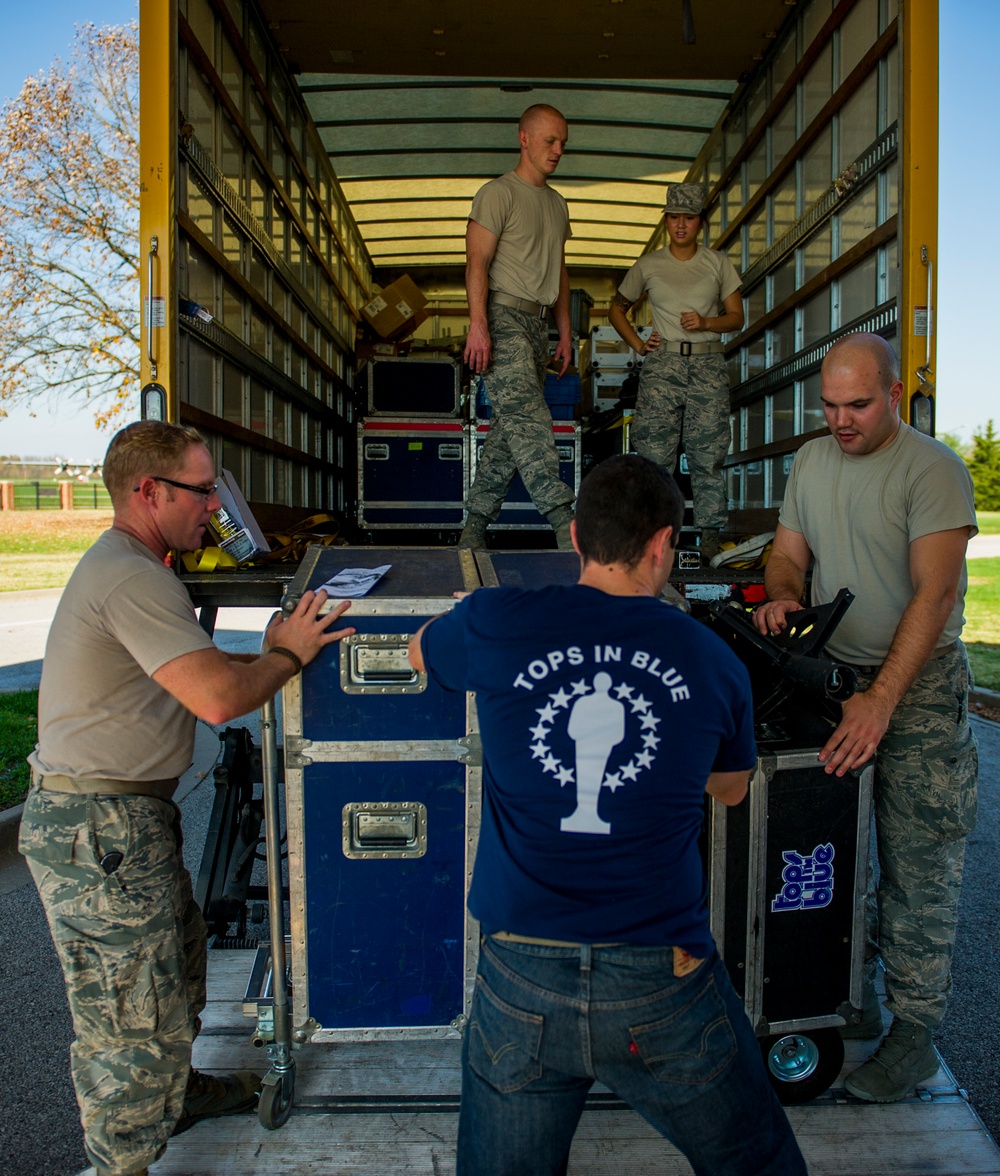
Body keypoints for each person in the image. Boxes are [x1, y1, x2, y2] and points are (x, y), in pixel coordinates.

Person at [409, 455, 806, 1175]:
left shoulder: (495, 621)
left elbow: (419, 651)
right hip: (662, 976)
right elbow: (732, 788)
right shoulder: (714, 659)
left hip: (520, 968)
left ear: (574, 536)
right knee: (760, 1164)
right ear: (663, 546)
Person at [19, 421, 356, 1176]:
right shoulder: (131, 576)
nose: (214, 507)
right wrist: (284, 654)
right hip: (99, 826)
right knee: (127, 1020)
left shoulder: (139, 568)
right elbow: (215, 698)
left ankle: (178, 1094)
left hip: (123, 820)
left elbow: (189, 665)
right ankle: (125, 1161)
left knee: (175, 965)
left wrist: (266, 649)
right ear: (148, 491)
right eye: (203, 491)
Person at [753, 332, 979, 1103]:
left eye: (857, 405)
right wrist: (783, 593)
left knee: (918, 861)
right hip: (837, 682)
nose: (841, 420)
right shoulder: (814, 461)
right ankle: (859, 998)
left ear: (891, 395)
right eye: (830, 405)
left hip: (913, 686)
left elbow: (936, 595)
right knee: (835, 851)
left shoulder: (934, 471)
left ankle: (914, 1036)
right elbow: (787, 555)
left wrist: (884, 700)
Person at [459, 103, 576, 551]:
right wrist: (478, 325)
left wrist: (564, 333)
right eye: (550, 140)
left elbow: (559, 272)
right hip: (503, 317)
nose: (558, 149)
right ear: (523, 138)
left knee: (510, 431)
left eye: (563, 142)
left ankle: (473, 527)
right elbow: (477, 262)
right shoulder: (497, 194)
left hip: (538, 324)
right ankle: (565, 526)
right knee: (529, 419)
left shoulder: (557, 204)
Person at [608, 182, 744, 562]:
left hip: (707, 364)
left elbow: (737, 317)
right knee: (654, 456)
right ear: (666, 221)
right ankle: (653, 540)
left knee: (708, 454)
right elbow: (616, 309)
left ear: (700, 222)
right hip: (663, 365)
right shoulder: (649, 265)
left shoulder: (718, 263)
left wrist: (706, 321)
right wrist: (638, 345)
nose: (680, 225)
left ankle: (711, 539)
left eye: (688, 218)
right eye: (673, 218)